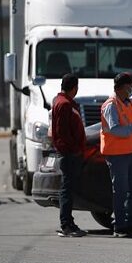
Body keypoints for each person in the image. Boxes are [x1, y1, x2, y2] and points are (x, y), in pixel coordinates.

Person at [100, 72, 132, 238]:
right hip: (117, 155)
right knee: (121, 191)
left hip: (131, 152)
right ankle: (120, 226)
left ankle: (130, 223)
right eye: (129, 86)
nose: (131, 89)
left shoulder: (128, 103)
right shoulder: (111, 105)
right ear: (119, 88)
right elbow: (114, 129)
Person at [51, 73, 87, 238]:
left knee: (69, 189)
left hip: (69, 152)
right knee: (67, 189)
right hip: (68, 153)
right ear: (75, 87)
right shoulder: (64, 104)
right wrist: (74, 149)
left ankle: (69, 222)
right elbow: (62, 132)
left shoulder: (63, 102)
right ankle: (66, 224)